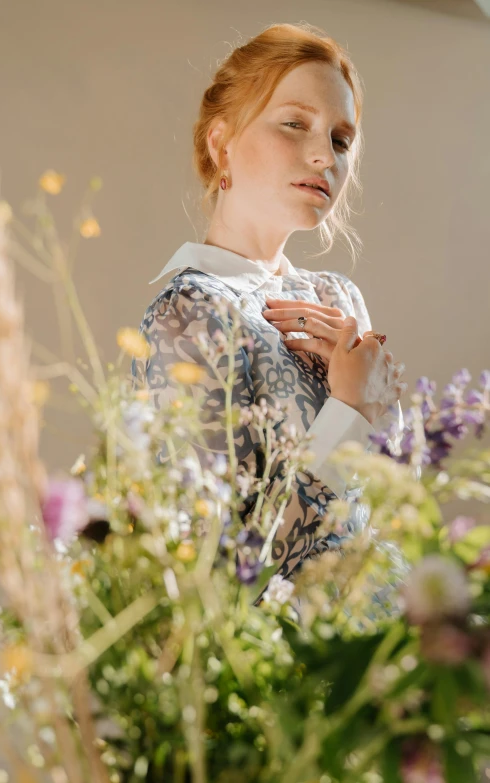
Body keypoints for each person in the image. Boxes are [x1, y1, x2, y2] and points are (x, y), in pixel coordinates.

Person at [131, 22, 407, 583]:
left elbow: (394, 506)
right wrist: (352, 410)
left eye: (340, 139)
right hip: (289, 659)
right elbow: (220, 570)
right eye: (294, 124)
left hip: (387, 641)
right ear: (221, 143)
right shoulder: (185, 314)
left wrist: (383, 410)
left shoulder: (338, 297)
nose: (323, 156)